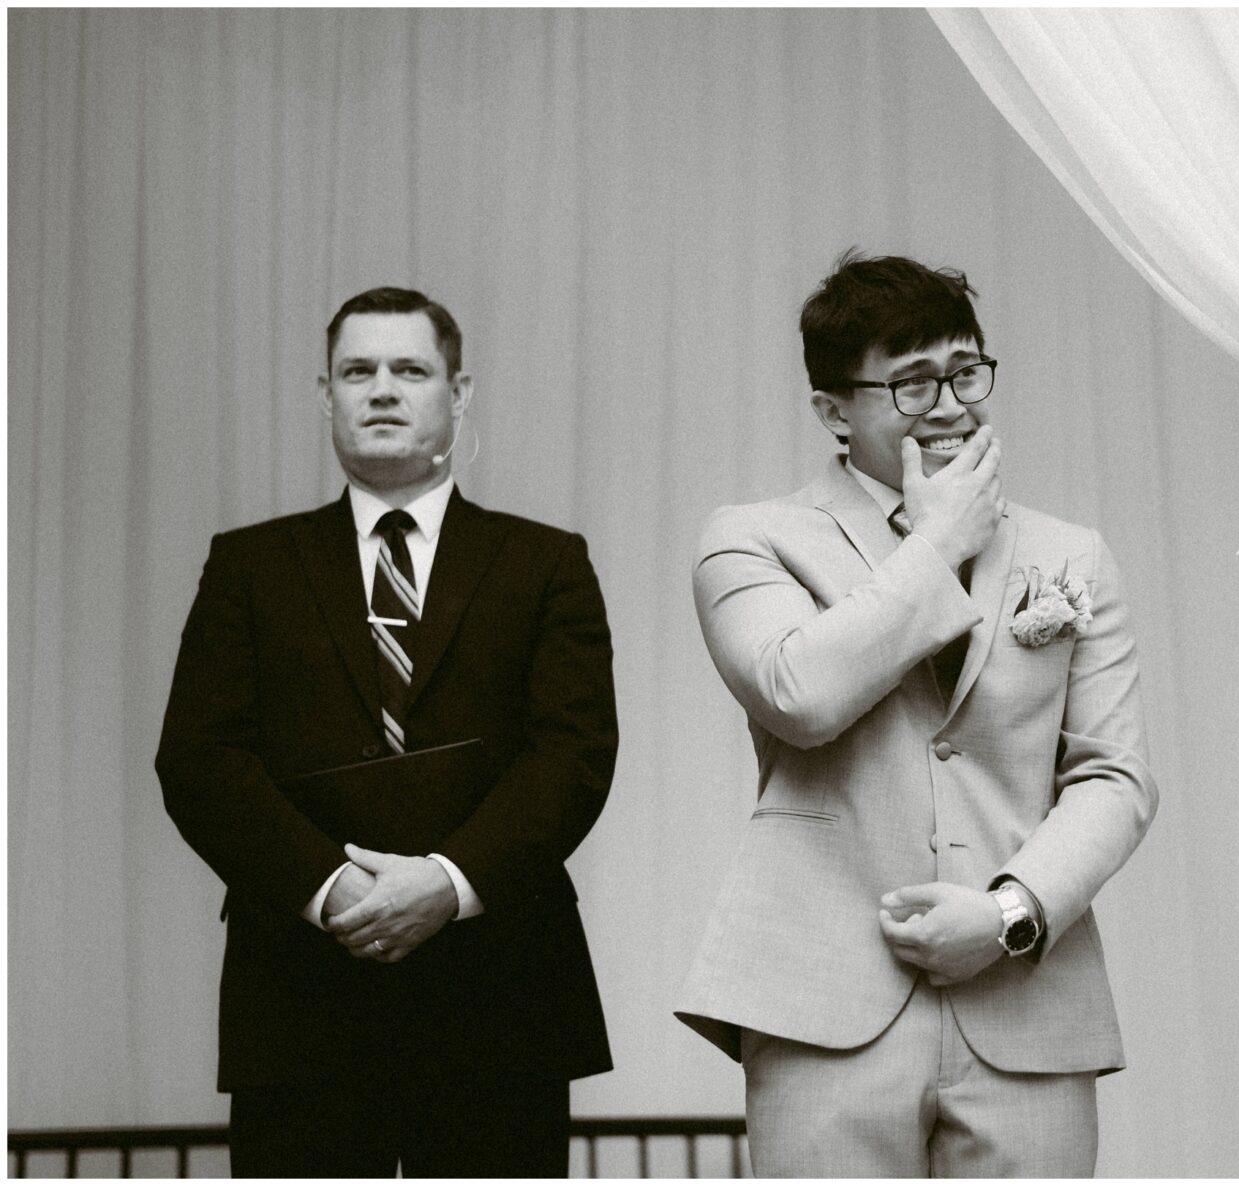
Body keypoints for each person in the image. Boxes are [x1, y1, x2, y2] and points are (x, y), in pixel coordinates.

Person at [676, 251, 1157, 1177]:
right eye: (910, 383)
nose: (950, 405)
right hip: (823, 1002)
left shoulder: (1073, 554)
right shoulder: (750, 536)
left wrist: (1012, 913)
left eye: (965, 371)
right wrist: (940, 541)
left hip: (1026, 1000)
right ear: (833, 411)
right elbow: (799, 693)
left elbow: (1115, 775)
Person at [156, 287, 618, 1176]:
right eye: (356, 370)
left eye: (410, 369)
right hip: (300, 1002)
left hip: (501, 998)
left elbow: (573, 756)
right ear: (323, 393)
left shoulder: (546, 562)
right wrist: (331, 889)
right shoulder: (249, 566)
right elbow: (200, 760)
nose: (381, 389)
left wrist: (448, 882)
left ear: (460, 390)